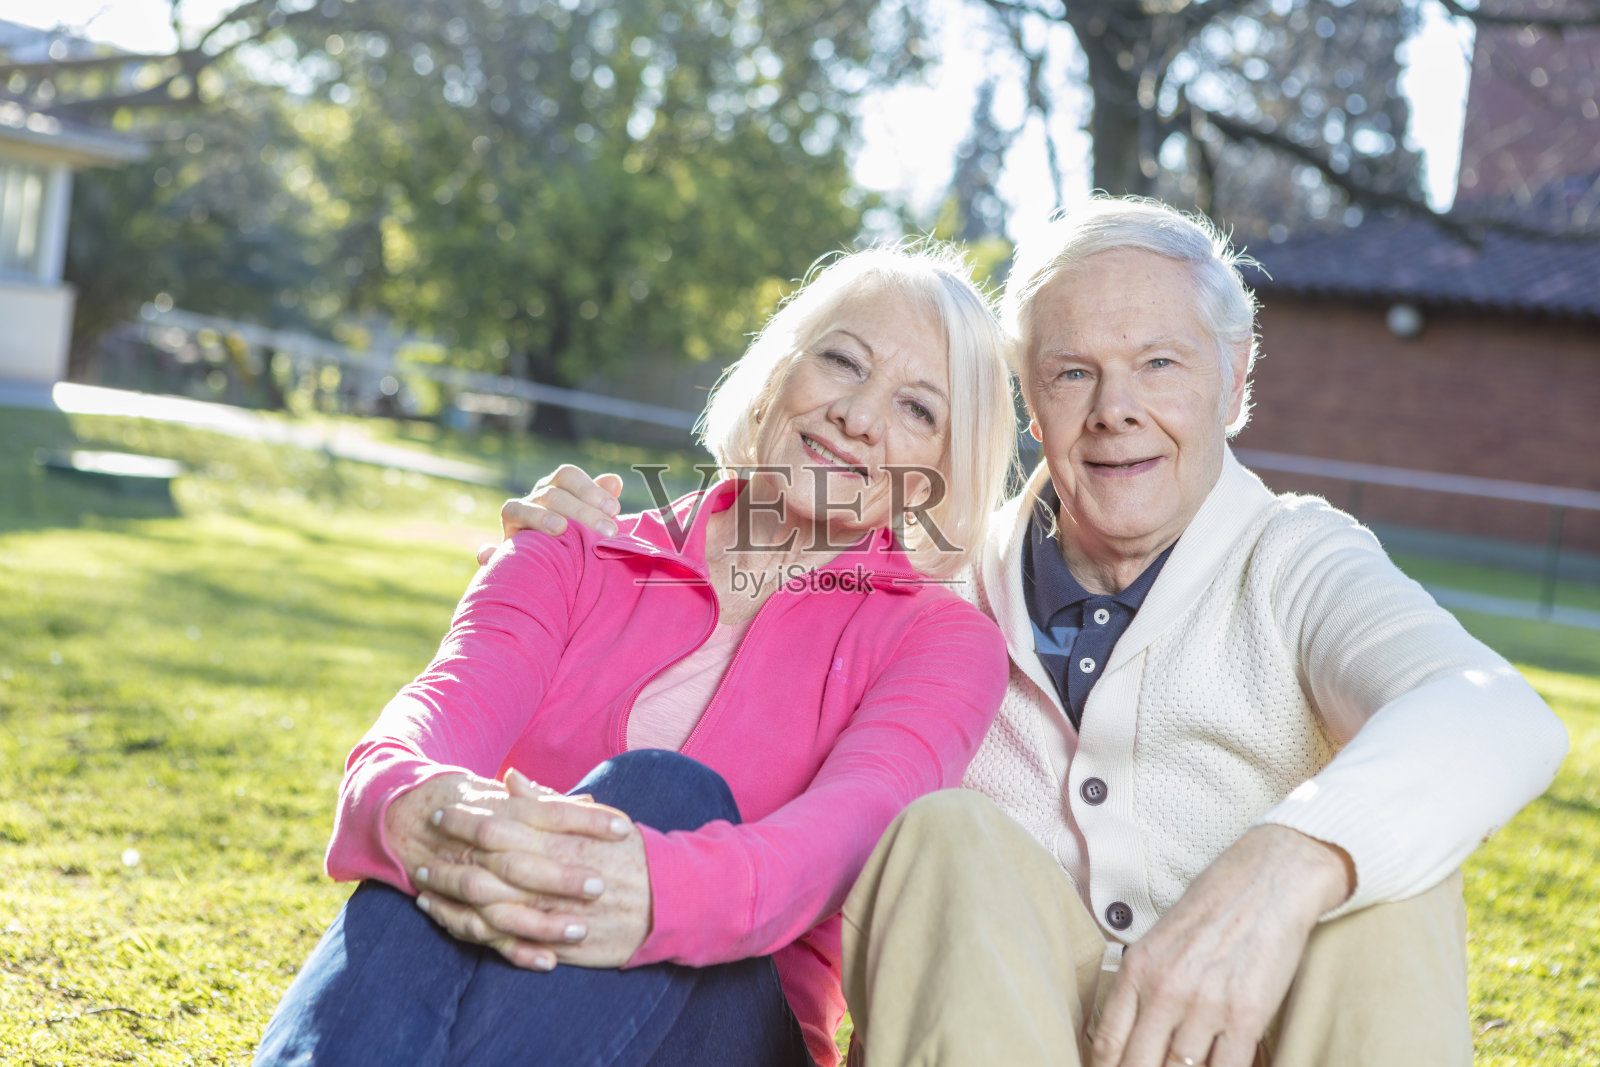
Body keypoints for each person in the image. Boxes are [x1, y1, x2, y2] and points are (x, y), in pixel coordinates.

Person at [495, 197, 1569, 1067]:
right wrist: (593, 535)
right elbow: (739, 589)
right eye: (1071, 372)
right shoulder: (937, 590)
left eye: (1160, 363)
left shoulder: (1296, 559)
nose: (1114, 408)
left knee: (1390, 875)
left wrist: (1287, 863)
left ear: (1234, 381)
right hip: (1008, 1032)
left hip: (1258, 1033)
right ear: (1023, 405)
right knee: (946, 835)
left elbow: (1492, 713)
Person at [252, 243, 1016, 1067]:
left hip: (731, 1031)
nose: (859, 416)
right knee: (439, 838)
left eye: (918, 410)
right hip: (504, 968)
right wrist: (411, 805)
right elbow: (433, 717)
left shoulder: (941, 643)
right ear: (775, 374)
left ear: (942, 466)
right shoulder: (570, 547)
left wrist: (652, 889)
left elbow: (840, 839)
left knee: (663, 790)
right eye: (841, 361)